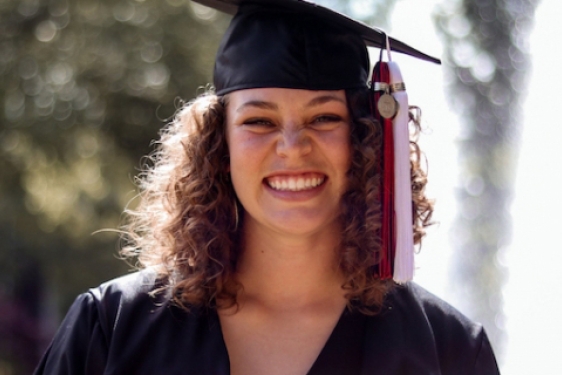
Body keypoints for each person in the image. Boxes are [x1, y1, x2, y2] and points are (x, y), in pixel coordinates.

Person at [34, 0, 500, 374]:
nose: (293, 147)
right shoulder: (113, 328)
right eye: (259, 121)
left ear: (365, 138)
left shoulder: (445, 351)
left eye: (324, 118)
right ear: (219, 145)